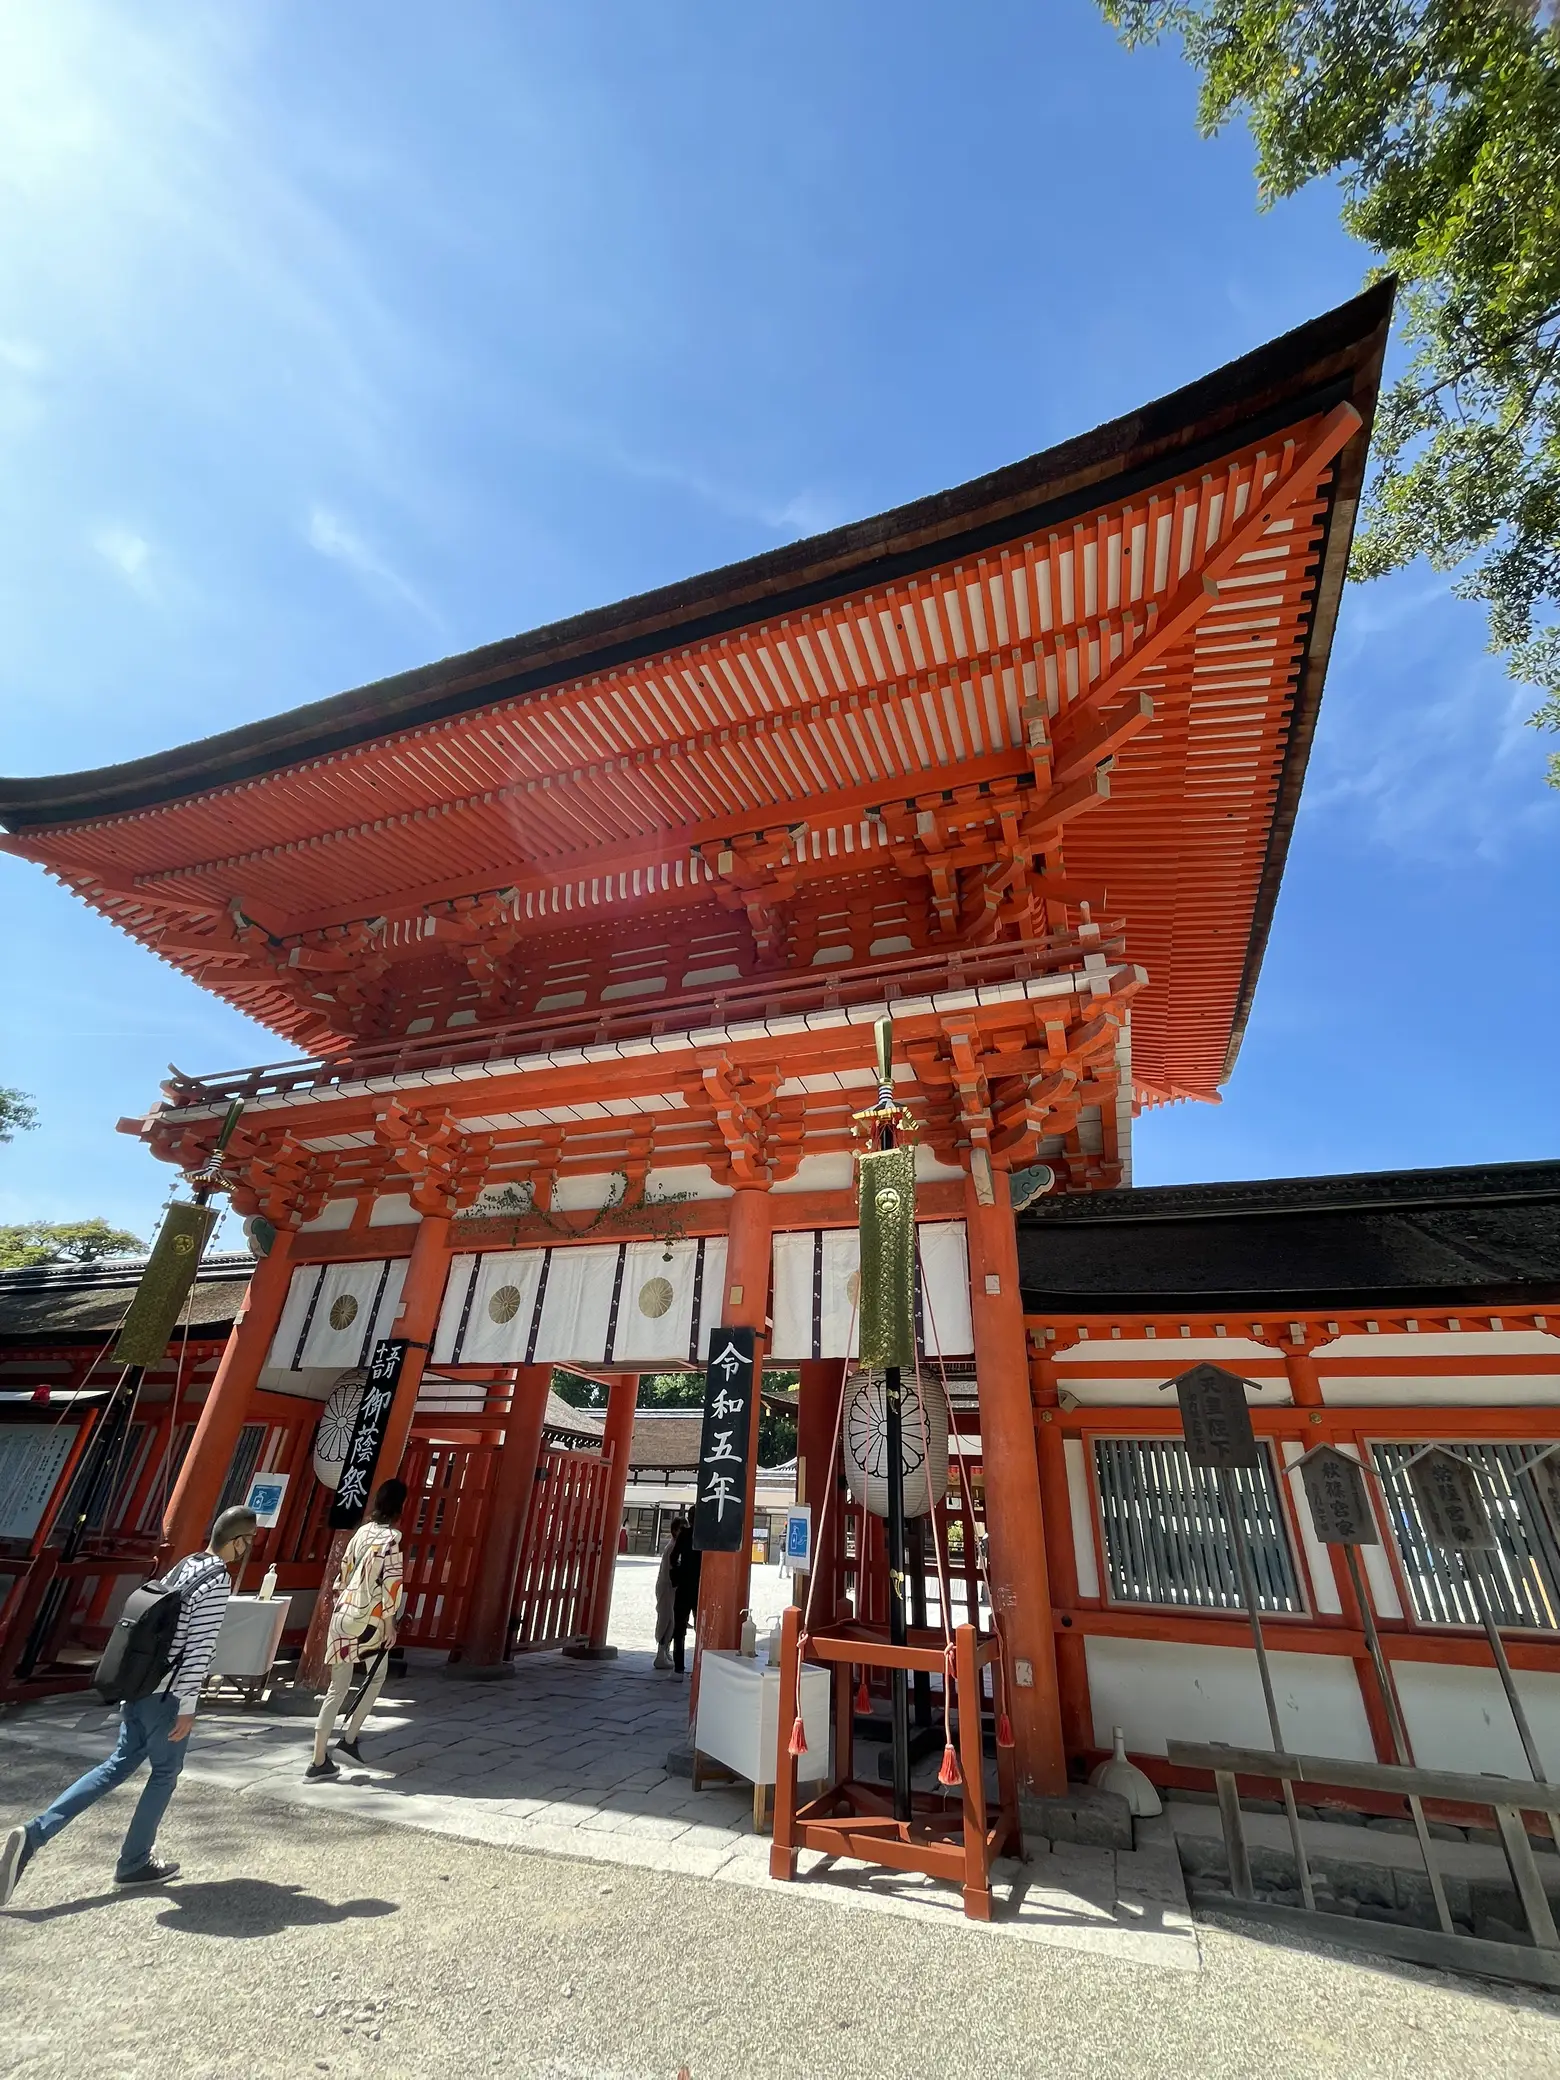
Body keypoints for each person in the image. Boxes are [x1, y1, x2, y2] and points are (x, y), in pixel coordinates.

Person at [0, 1505, 256, 1904]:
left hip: (137, 1685)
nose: (246, 1550)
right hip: (167, 1694)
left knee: (116, 1764)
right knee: (165, 1772)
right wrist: (188, 1706)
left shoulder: (188, 1564)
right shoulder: (217, 1580)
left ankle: (34, 1834)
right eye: (248, 1542)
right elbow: (199, 1649)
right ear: (238, 1541)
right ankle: (134, 1862)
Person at [306, 1478, 406, 1781]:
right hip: (370, 1617)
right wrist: (390, 1623)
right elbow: (391, 1584)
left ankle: (318, 1759)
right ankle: (349, 1740)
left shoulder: (361, 1533)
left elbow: (344, 1570)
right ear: (400, 1506)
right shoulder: (392, 1539)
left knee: (336, 1689)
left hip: (343, 1611)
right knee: (375, 1676)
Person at [652, 1512, 687, 1671]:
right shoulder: (673, 1546)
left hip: (671, 1587)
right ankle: (661, 1653)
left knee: (672, 1621)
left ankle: (664, 1652)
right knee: (667, 1620)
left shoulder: (675, 1545)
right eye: (681, 1528)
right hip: (668, 1587)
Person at [666, 1518, 701, 1676]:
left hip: (684, 1585)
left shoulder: (684, 1534)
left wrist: (679, 1571)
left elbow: (673, 1557)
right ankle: (700, 1667)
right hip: (700, 1586)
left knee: (679, 1628)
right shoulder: (706, 1535)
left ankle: (678, 1667)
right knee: (701, 1628)